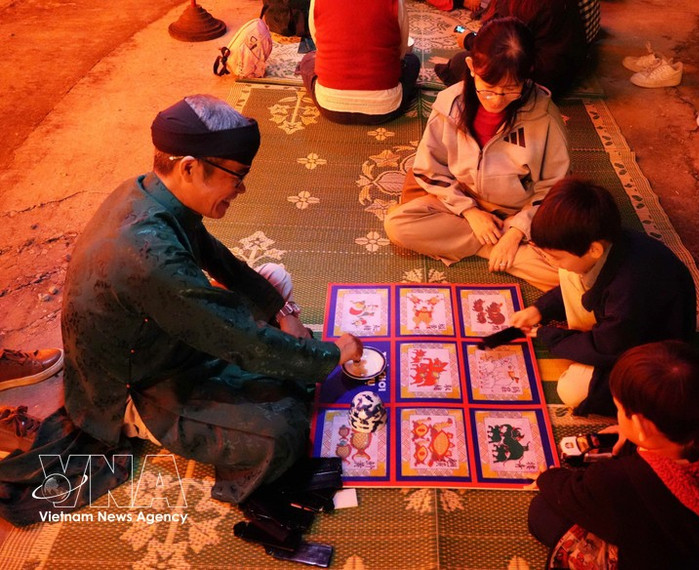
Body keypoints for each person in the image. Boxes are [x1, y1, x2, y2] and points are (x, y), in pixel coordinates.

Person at [60, 94, 363, 504]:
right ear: (189, 167)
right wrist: (328, 355)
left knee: (273, 281)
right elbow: (240, 342)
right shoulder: (149, 256)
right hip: (138, 384)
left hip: (159, 331)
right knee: (281, 431)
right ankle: (141, 424)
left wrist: (280, 311)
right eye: (236, 176)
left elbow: (218, 259)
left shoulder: (149, 191)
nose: (242, 189)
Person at [528, 341, 699, 568]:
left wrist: (548, 477)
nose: (617, 416)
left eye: (620, 410)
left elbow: (571, 494)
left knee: (541, 511)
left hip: (645, 559)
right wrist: (635, 437)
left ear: (643, 427)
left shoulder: (616, 479)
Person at [384, 17, 570, 291]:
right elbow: (429, 169)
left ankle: (499, 246)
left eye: (509, 90)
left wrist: (516, 230)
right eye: (488, 87)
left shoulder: (544, 118)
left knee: (571, 272)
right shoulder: (450, 104)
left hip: (520, 210)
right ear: (472, 67)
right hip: (463, 199)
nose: (495, 100)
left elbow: (554, 188)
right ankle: (504, 255)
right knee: (399, 225)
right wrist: (471, 211)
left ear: (527, 74)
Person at [509, 178, 696, 415]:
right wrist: (540, 310)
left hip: (654, 357)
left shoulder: (630, 288)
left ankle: (587, 356)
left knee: (572, 389)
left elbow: (610, 345)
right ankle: (584, 346)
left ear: (593, 249)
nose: (550, 262)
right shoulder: (609, 243)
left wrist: (552, 337)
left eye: (555, 256)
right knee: (568, 273)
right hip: (622, 333)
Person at [297, 0, 421, 125]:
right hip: (385, 109)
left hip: (329, 107)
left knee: (307, 60)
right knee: (413, 61)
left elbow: (318, 42)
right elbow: (401, 51)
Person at [435, 0, 589, 99]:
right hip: (565, 72)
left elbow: (500, 49)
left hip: (539, 83)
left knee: (460, 63)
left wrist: (469, 40)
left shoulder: (522, 6)